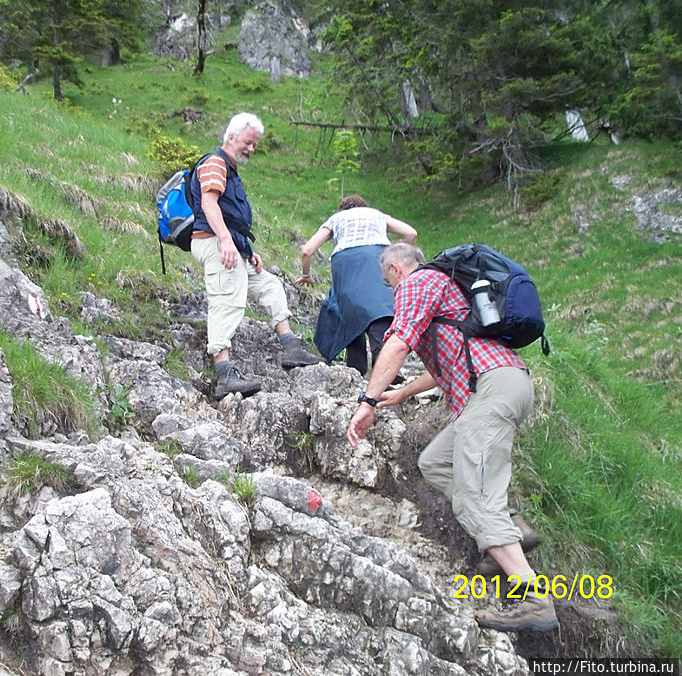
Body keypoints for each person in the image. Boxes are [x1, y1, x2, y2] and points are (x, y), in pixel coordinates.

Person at [346, 243, 558, 633]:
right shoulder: (450, 290)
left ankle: (534, 598)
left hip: (490, 390)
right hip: (506, 382)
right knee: (436, 462)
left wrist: (368, 401)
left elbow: (397, 342)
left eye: (387, 283)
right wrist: (404, 392)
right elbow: (447, 357)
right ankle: (511, 527)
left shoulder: (418, 283)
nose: (390, 290)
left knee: (474, 497)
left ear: (395, 269)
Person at [189, 112, 319, 400]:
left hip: (231, 243)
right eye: (248, 142)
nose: (251, 148)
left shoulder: (230, 169)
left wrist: (247, 251)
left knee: (269, 284)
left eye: (255, 145)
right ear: (231, 137)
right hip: (212, 240)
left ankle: (291, 346)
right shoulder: (214, 163)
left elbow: (232, 216)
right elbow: (209, 203)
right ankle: (224, 373)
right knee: (227, 295)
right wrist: (224, 240)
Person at [297, 195, 417, 375]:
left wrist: (306, 274)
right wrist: (398, 257)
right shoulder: (377, 215)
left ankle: (356, 367)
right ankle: (385, 364)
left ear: (342, 208)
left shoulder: (336, 219)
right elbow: (411, 233)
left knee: (351, 312)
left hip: (346, 263)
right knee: (380, 310)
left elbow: (307, 250)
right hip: (378, 258)